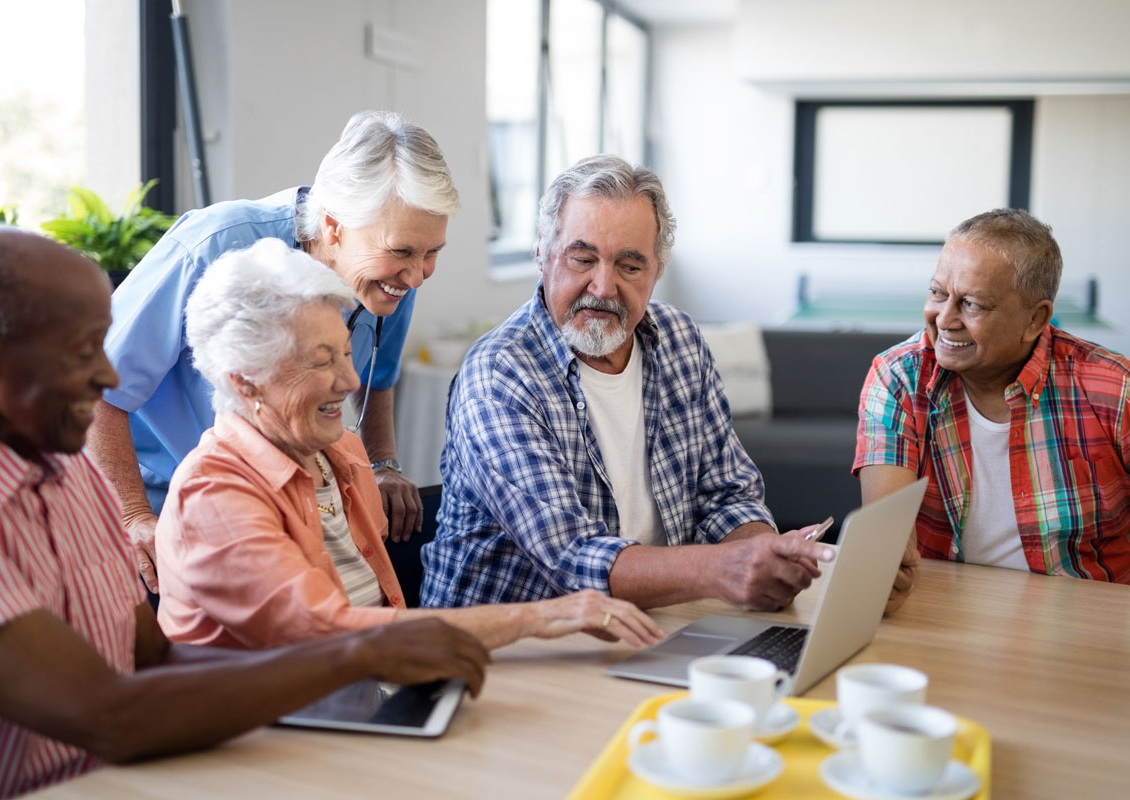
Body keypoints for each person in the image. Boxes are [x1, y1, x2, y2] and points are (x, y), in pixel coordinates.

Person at [0, 228, 488, 799]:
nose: (109, 377)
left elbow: (152, 657)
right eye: (82, 351)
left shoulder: (63, 462)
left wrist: (352, 671)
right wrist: (357, 653)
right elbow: (107, 715)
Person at [154, 239, 663, 651]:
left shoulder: (343, 455)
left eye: (347, 354)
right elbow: (328, 635)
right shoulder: (213, 494)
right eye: (320, 361)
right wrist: (540, 616)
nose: (350, 380)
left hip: (365, 698)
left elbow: (381, 617)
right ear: (245, 381)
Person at [420, 156, 835, 612]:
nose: (603, 287)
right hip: (503, 654)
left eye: (630, 266)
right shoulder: (500, 375)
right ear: (542, 253)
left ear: (657, 270)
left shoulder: (680, 339)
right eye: (583, 259)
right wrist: (724, 568)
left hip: (646, 627)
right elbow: (573, 559)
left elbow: (727, 494)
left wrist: (766, 553)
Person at [87, 110, 452, 596]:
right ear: (333, 226)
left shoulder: (387, 282)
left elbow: (377, 378)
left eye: (432, 253)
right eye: (404, 252)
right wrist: (132, 516)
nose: (418, 275)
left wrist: (382, 465)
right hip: (165, 501)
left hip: (279, 505)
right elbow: (93, 385)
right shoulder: (213, 246)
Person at [854, 208, 1130, 613]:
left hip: (1089, 620)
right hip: (941, 611)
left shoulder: (1115, 389)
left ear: (1035, 318)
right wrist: (883, 570)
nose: (944, 319)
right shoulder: (898, 377)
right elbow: (886, 539)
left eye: (972, 304)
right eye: (937, 293)